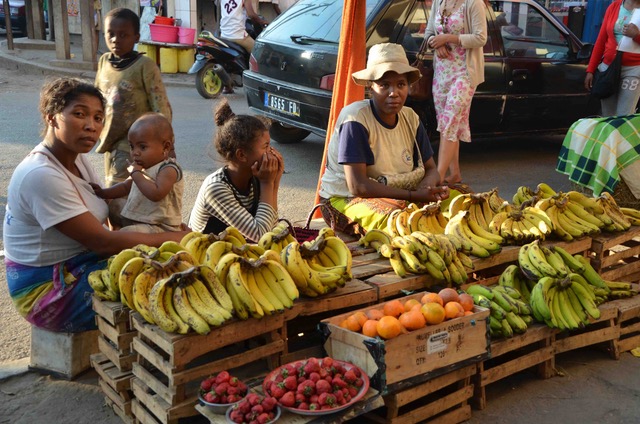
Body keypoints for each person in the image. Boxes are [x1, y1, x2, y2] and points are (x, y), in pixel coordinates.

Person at [2, 78, 186, 333]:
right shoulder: (40, 174)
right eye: (79, 114)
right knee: (166, 283)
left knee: (172, 264)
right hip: (46, 291)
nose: (91, 126)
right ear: (51, 117)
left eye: (98, 118)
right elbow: (103, 242)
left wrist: (160, 228)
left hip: (78, 263)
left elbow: (108, 208)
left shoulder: (77, 160)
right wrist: (178, 237)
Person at [318, 43, 449, 235]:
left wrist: (426, 187)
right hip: (344, 199)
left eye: (401, 85)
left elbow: (431, 170)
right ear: (371, 87)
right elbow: (358, 186)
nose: (394, 92)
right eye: (384, 85)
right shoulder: (356, 119)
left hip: (404, 192)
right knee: (400, 221)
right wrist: (414, 196)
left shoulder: (411, 117)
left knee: (461, 197)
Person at [95, 7, 172, 189]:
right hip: (109, 139)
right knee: (114, 186)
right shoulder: (104, 61)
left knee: (119, 190)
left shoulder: (145, 66)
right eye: (110, 33)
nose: (115, 40)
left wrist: (167, 143)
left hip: (134, 143)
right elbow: (96, 97)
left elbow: (160, 106)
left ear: (136, 37)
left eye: (123, 35)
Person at [188, 98, 284, 242]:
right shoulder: (216, 188)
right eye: (265, 147)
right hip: (206, 254)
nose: (271, 152)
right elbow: (260, 236)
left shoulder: (256, 177)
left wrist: (275, 181)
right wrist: (268, 184)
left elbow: (271, 227)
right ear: (242, 155)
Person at [425, 0, 487, 187]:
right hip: (442, 73)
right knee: (449, 123)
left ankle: (439, 176)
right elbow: (429, 33)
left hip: (465, 73)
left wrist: (449, 38)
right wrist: (437, 44)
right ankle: (455, 174)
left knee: (449, 122)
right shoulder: (439, 1)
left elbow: (480, 38)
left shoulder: (473, 3)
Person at [90, 112, 184, 233]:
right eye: (132, 146)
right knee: (115, 205)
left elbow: (156, 194)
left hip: (160, 226)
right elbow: (125, 187)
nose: (135, 152)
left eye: (142, 147)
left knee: (125, 234)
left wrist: (136, 174)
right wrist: (103, 193)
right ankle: (117, 230)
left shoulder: (168, 169)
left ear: (165, 147)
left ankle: (119, 237)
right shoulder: (143, 167)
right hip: (140, 218)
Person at [584, 0, 640, 116]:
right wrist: (591, 69)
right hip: (608, 68)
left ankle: (622, 134)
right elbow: (601, 39)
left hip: (633, 69)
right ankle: (611, 135)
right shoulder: (614, 6)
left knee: (624, 115)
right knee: (608, 114)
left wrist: (636, 35)